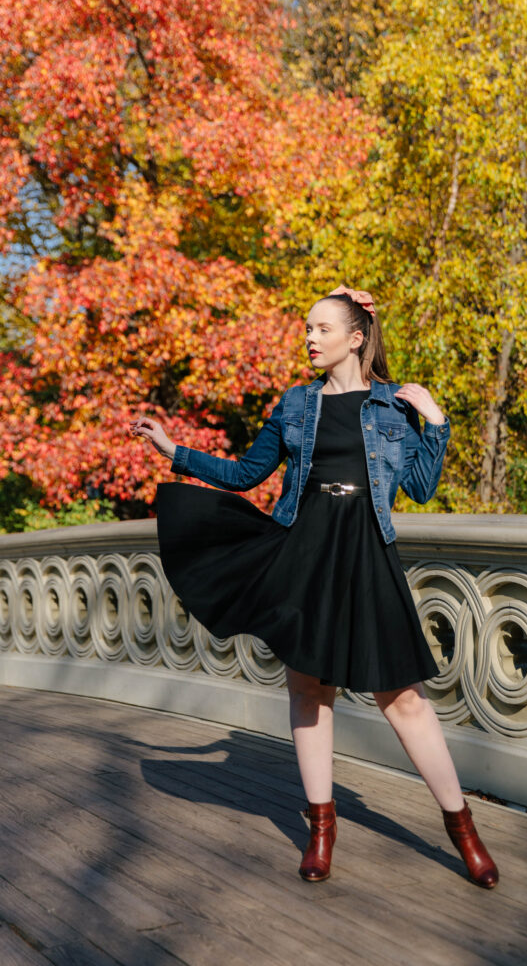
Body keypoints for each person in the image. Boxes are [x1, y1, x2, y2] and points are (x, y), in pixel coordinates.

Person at [130, 285, 499, 889]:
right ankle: (321, 828)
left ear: (355, 338)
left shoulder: (393, 407)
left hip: (365, 551)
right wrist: (176, 452)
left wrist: (436, 420)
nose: (309, 337)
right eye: (306, 328)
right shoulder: (295, 405)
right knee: (309, 690)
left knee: (401, 697)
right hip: (304, 548)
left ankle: (462, 828)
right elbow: (249, 474)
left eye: (321, 328)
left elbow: (423, 487)